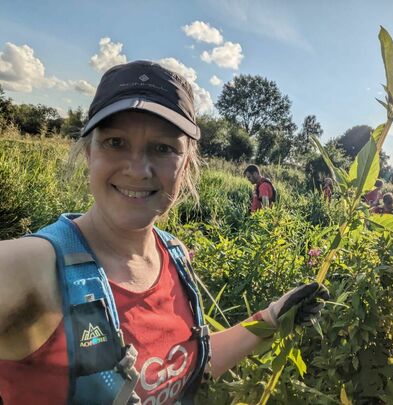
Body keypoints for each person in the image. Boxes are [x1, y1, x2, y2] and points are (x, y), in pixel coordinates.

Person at [0, 60, 328, 405]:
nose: (138, 170)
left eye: (163, 148)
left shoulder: (174, 255)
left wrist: (270, 319)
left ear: (185, 165)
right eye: (115, 142)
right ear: (88, 153)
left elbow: (179, 368)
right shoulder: (33, 268)